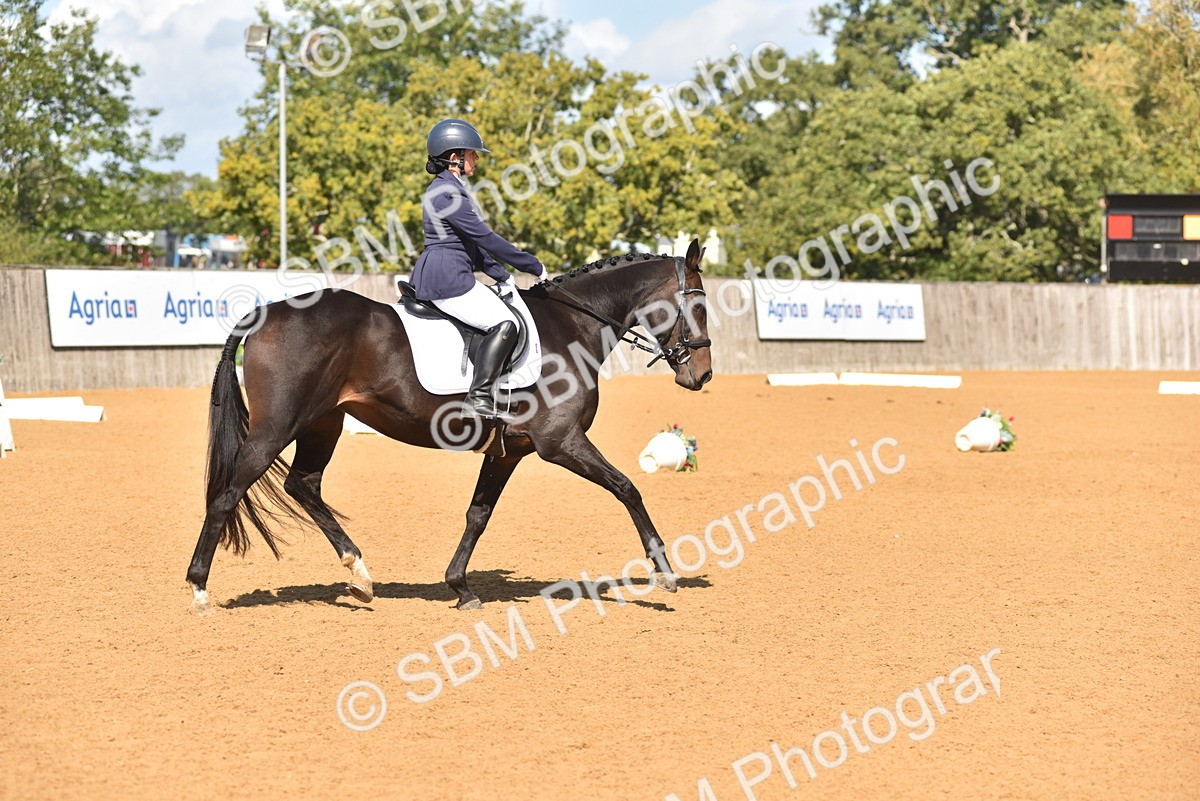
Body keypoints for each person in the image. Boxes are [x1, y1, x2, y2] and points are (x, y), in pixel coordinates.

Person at [411, 118, 548, 419]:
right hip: (448, 278)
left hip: (446, 271)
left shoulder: (446, 188)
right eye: (472, 153)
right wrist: (531, 264)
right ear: (454, 157)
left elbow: (472, 246)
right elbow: (484, 237)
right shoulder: (447, 192)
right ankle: (480, 396)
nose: (476, 159)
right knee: (505, 323)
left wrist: (502, 274)